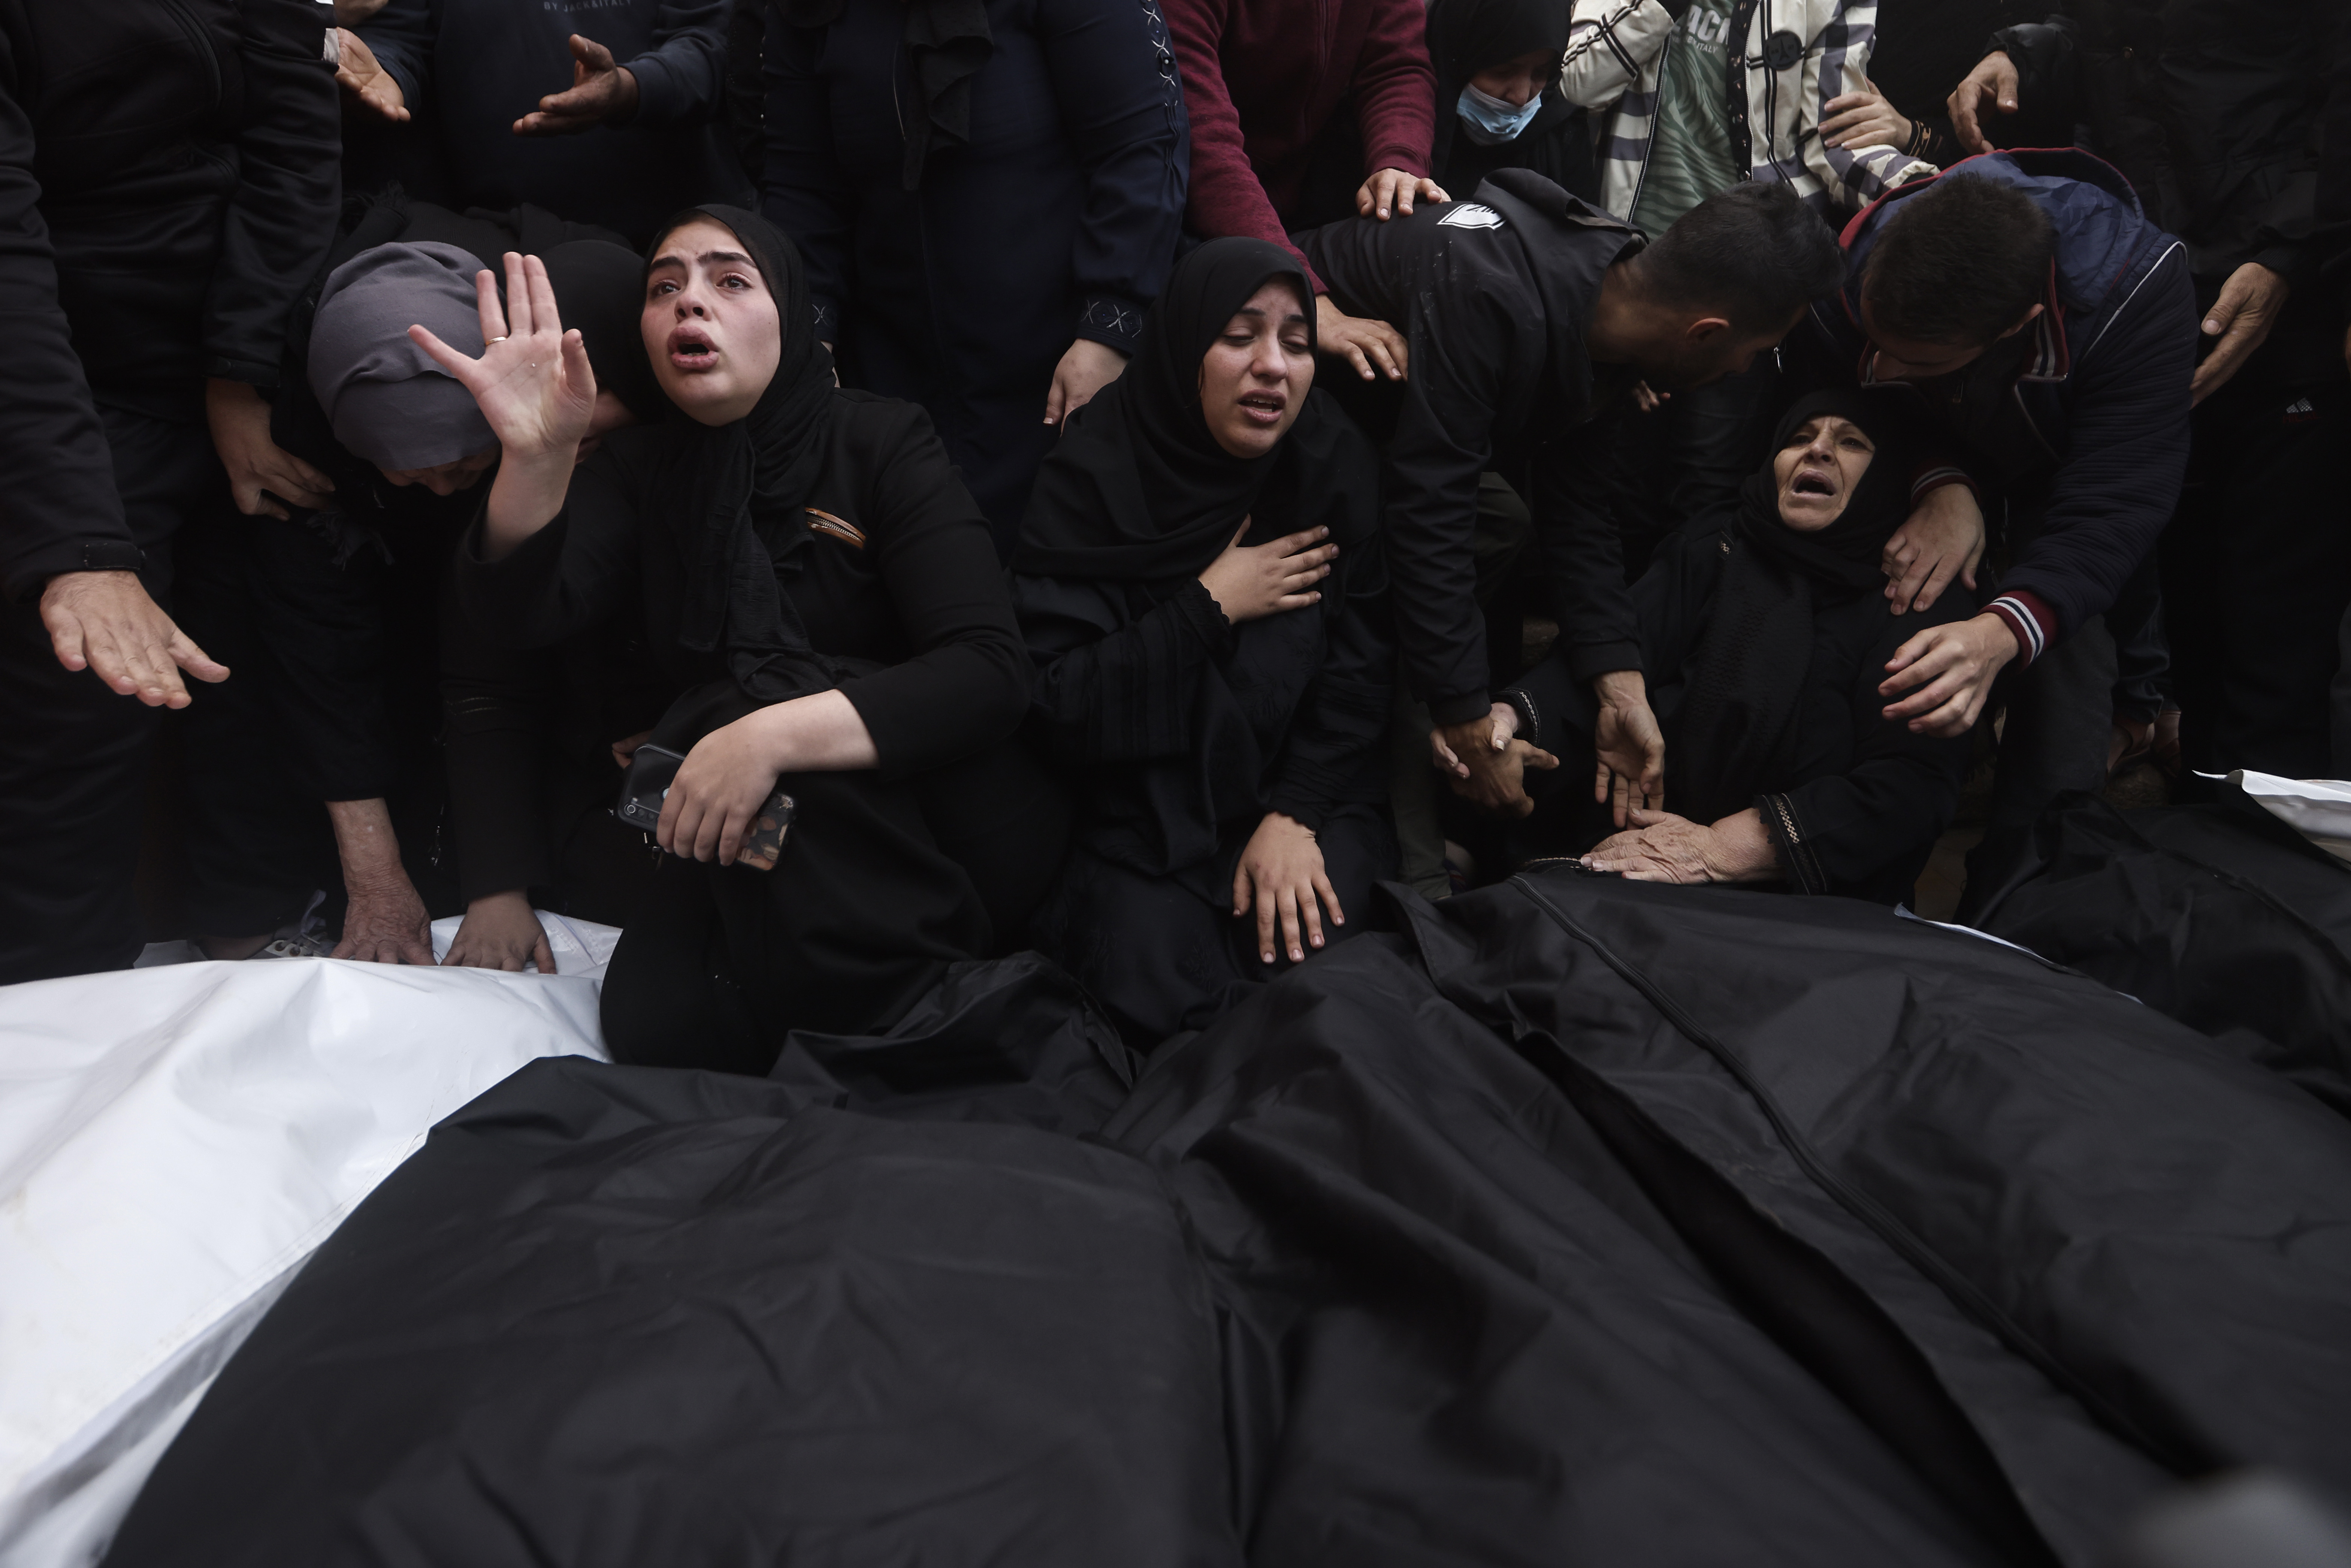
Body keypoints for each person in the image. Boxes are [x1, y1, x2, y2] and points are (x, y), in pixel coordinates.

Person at [443, 208, 1051, 1070]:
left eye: (730, 280)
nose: (690, 302)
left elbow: (988, 672)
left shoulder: (881, 441)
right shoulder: (646, 466)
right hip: (756, 825)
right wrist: (535, 458)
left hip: (935, 822)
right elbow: (518, 616)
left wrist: (761, 736)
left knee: (731, 708)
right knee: (655, 1022)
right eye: (664, 287)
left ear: (791, 313)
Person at [1298, 174, 1854, 864]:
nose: (1745, 370)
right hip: (1292, 425)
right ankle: (1385, 849)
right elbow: (1430, 519)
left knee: (1502, 527)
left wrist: (1620, 684)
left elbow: (1580, 511)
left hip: (1389, 450)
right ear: (1705, 332)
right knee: (1423, 609)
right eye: (1757, 351)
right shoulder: (1490, 293)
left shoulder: (1609, 293)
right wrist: (1465, 715)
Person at [176, 222, 662, 963]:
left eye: (465, 463)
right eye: (410, 473)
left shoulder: (560, 391)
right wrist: (380, 878)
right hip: (345, 593)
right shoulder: (302, 452)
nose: (441, 490)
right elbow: (327, 662)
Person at [0, 0, 338, 984]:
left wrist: (239, 373)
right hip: (67, 377)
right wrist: (78, 548)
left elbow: (295, 125)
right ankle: (57, 994)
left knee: (278, 619)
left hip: (243, 347)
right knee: (86, 680)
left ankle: (251, 921)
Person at [1948, 1, 2351, 783]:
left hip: (2290, 303)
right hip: (2156, 293)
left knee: (2277, 627)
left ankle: (2272, 839)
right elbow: (2104, 43)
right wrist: (2024, 55)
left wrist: (2285, 255)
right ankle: (2207, 826)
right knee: (2189, 617)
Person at [1012, 239, 1393, 1043]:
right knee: (1159, 1010)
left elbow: (1362, 666)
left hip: (1303, 802)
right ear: (1184, 346)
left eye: (1297, 343)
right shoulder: (1095, 478)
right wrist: (1210, 605)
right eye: (1238, 336)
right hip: (1139, 824)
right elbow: (1056, 704)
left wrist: (1296, 815)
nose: (1273, 366)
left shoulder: (1328, 464)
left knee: (1326, 1003)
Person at [1791, 155, 2196, 841]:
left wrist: (2001, 633)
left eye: (1915, 361)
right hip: (1932, 443)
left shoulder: (2134, 289)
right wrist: (1938, 479)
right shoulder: (1849, 273)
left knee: (2060, 635)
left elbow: (2113, 502)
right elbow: (1851, 397)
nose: (1882, 368)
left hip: (2068, 463)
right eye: (1876, 343)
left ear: (2018, 325)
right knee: (1909, 573)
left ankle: (2033, 868)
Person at [1467, 390, 1976, 904]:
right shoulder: (1716, 545)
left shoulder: (1914, 592)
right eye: (1799, 437)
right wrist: (1510, 718)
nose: (1817, 449)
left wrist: (1720, 849)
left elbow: (1909, 786)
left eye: (1851, 443)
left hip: (1804, 895)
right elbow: (1618, 655)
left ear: (1886, 475)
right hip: (1642, 847)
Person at [760, 0, 1190, 554]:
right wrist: (809, 337)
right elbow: (800, 185)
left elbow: (1142, 147)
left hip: (1065, 370)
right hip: (886, 376)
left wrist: (1110, 329)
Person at [1555, 0, 1937, 536]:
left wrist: (1930, 196)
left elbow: (1835, 142)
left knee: (1709, 486)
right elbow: (1575, 83)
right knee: (1609, 476)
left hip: (1749, 282)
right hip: (1637, 272)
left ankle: (1694, 591)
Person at [1166, 0, 1439, 383]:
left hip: (1300, 209)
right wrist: (1301, 292)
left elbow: (1396, 66)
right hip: (1183, 224)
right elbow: (1203, 139)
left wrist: (1397, 159)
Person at [350, 0, 748, 243]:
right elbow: (402, 33)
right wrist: (384, 70)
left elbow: (718, 49)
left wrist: (629, 89)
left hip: (684, 237)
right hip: (496, 234)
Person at [1424, 0, 1593, 203]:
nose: (1521, 98)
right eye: (1502, 73)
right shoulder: (1406, 132)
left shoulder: (1563, 136)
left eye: (1540, 73)